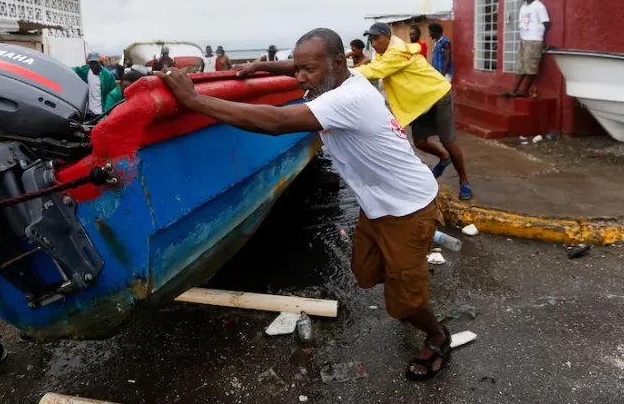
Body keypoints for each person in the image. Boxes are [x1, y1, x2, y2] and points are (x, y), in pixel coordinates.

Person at [155, 28, 454, 382]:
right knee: (364, 272)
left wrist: (194, 100)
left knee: (405, 302)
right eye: (298, 69)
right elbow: (298, 67)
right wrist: (260, 67)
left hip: (408, 208)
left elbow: (276, 122)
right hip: (378, 205)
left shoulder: (347, 99)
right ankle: (407, 281)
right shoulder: (348, 78)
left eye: (308, 70)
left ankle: (437, 336)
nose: (300, 78)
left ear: (338, 63)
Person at [358, 23, 473, 201]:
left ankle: (464, 182)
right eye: (371, 40)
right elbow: (375, 66)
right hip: (421, 100)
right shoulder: (385, 54)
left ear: (388, 36)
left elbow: (375, 71)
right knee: (419, 141)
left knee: (448, 141)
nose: (373, 44)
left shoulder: (397, 52)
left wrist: (344, 71)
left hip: (437, 93)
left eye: (376, 39)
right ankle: (444, 158)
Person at [503, 0, 551, 98]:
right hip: (524, 40)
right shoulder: (523, 7)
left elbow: (547, 23)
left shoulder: (539, 6)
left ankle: (523, 91)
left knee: (531, 68)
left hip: (534, 41)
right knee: (520, 66)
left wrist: (540, 37)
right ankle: (513, 90)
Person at [72, 52, 121, 117]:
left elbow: (114, 93)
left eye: (95, 62)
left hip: (103, 111)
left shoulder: (108, 75)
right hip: (89, 111)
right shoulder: (86, 70)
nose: (93, 65)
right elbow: (74, 71)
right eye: (91, 63)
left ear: (99, 62)